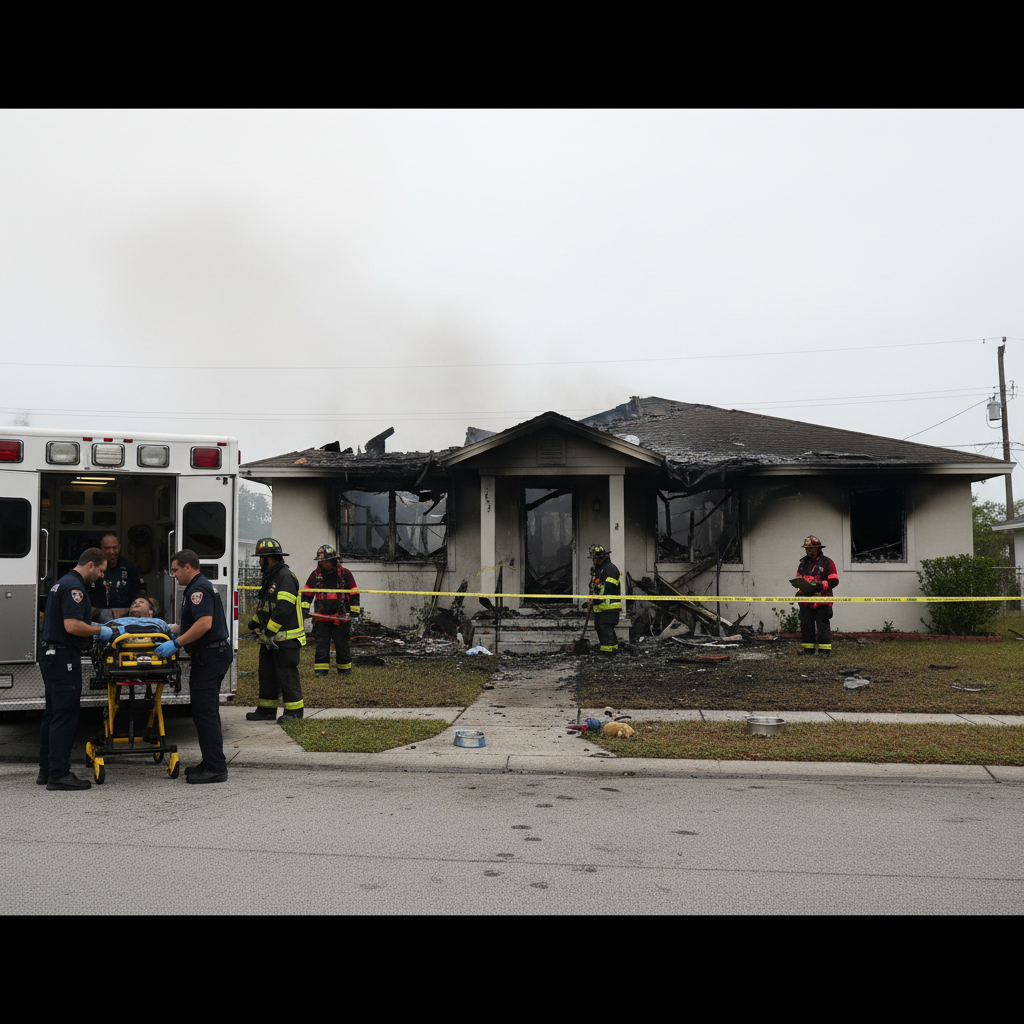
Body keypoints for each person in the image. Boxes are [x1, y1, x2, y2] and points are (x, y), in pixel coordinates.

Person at [153, 549, 231, 783]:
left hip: (210, 656)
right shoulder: (199, 587)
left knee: (205, 713)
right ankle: (210, 761)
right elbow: (191, 625)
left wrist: (175, 644)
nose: (174, 575)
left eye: (175, 570)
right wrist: (165, 627)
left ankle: (216, 768)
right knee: (202, 712)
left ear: (188, 567)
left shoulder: (198, 589)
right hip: (211, 655)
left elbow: (204, 624)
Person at [38, 548, 114, 791]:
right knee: (65, 714)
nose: (101, 576)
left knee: (52, 714)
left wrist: (91, 625)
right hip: (63, 656)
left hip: (51, 654)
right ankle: (59, 774)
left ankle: (47, 771)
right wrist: (99, 630)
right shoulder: (75, 588)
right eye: (101, 571)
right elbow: (71, 625)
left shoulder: (61, 583)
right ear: (90, 565)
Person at [246, 538, 307, 722]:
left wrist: (269, 632)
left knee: (286, 675)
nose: (259, 562)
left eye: (260, 558)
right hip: (270, 641)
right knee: (267, 675)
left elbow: (283, 609)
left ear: (269, 558)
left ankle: (294, 713)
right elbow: (265, 607)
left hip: (286, 640)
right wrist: (254, 623)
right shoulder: (270, 578)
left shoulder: (285, 577)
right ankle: (266, 710)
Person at [301, 544, 361, 676]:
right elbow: (306, 593)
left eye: (324, 561)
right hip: (321, 617)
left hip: (340, 617)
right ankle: (321, 671)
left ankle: (344, 670)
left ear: (332, 560)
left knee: (342, 644)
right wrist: (304, 611)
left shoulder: (345, 574)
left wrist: (355, 614)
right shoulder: (315, 575)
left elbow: (354, 593)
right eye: (320, 561)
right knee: (322, 645)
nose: (322, 564)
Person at [794, 535, 839, 656]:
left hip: (822, 600)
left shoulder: (827, 562)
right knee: (806, 624)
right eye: (807, 549)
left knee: (822, 625)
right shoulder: (803, 563)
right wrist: (800, 589)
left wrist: (820, 585)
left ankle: (824, 651)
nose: (810, 552)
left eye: (812, 549)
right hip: (806, 600)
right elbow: (799, 578)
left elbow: (834, 580)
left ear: (818, 549)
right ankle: (808, 649)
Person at [90, 533, 147, 622]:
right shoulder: (93, 568)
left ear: (119, 547)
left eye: (115, 547)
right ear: (101, 549)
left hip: (125, 618)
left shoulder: (131, 568)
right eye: (107, 548)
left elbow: (140, 593)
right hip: (97, 617)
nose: (112, 552)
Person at [588, 544, 622, 655]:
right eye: (593, 558)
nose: (595, 561)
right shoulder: (598, 570)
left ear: (603, 557)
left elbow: (609, 587)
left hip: (609, 606)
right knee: (602, 629)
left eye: (597, 558)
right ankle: (613, 650)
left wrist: (598, 597)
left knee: (605, 629)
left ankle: (608, 653)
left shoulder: (610, 569)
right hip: (601, 607)